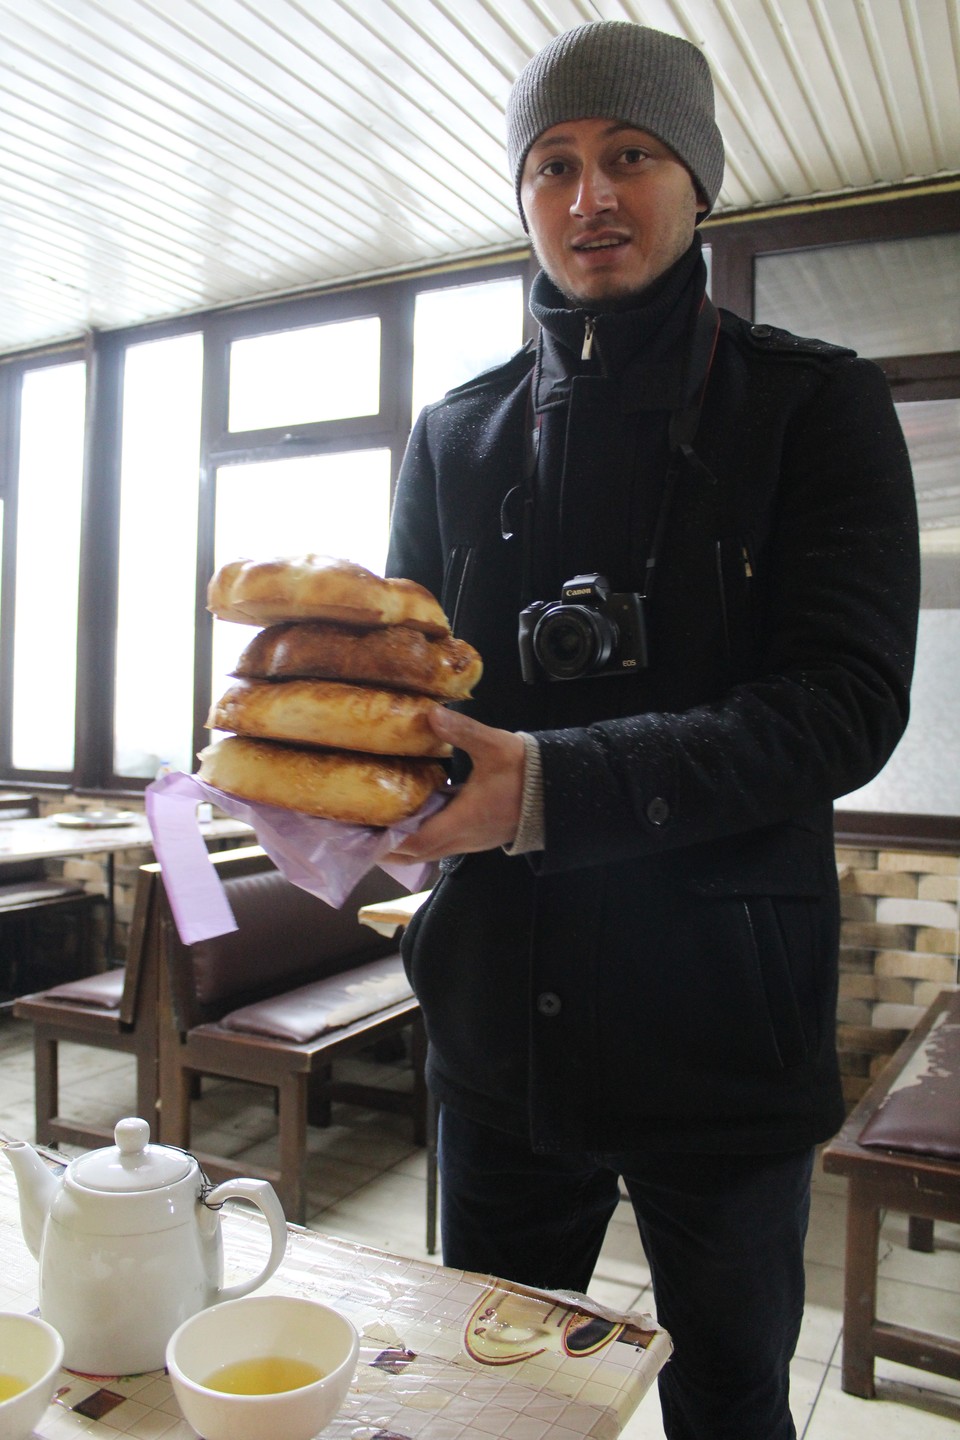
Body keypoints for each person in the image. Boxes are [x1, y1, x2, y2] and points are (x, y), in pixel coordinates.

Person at [386, 20, 919, 1440]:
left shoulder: (816, 406)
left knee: (734, 1397)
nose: (590, 196)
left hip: (723, 1034)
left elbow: (847, 706)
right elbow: (413, 705)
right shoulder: (457, 433)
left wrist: (551, 786)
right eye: (552, 165)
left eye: (631, 154)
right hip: (502, 1030)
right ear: (522, 196)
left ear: (701, 182)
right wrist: (335, 774)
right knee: (489, 1399)